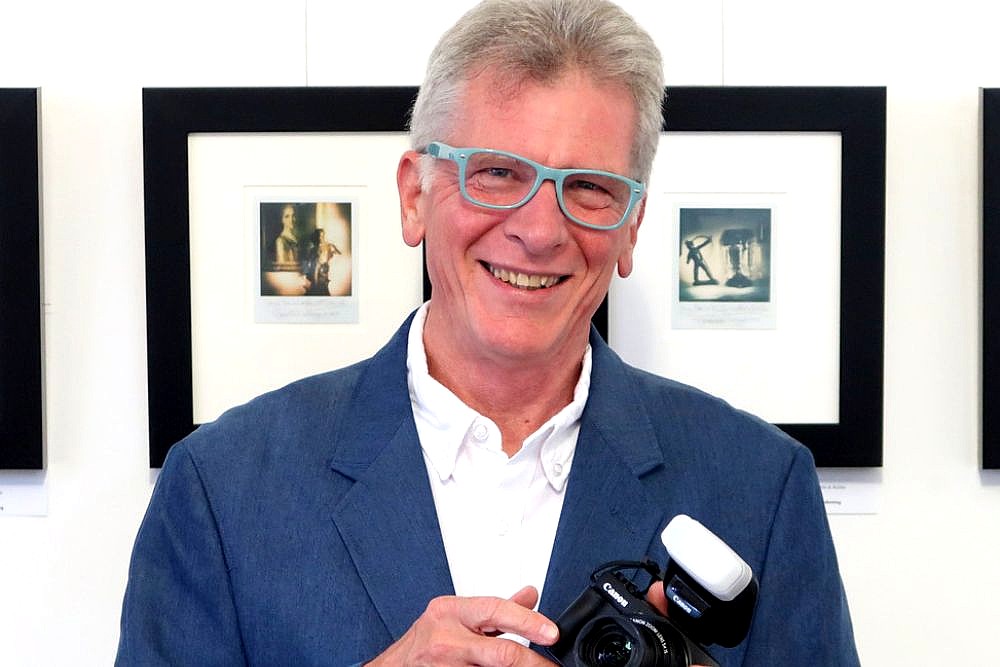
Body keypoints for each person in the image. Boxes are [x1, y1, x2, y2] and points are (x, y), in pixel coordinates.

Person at [116, 1, 860, 665]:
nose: (539, 230)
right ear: (415, 196)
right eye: (498, 173)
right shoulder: (224, 488)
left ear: (631, 227)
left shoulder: (760, 486)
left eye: (590, 188)